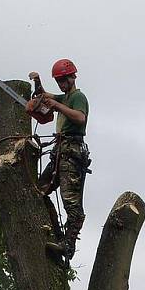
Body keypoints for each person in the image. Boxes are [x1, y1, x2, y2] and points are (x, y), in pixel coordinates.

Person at [28, 58, 90, 261]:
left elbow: (80, 118)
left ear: (72, 77)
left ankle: (68, 245)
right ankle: (54, 231)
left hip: (71, 154)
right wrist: (38, 83)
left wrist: (56, 105)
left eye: (64, 80)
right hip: (59, 153)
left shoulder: (78, 97)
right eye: (59, 81)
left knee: (71, 202)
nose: (62, 84)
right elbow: (45, 96)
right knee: (40, 189)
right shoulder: (64, 98)